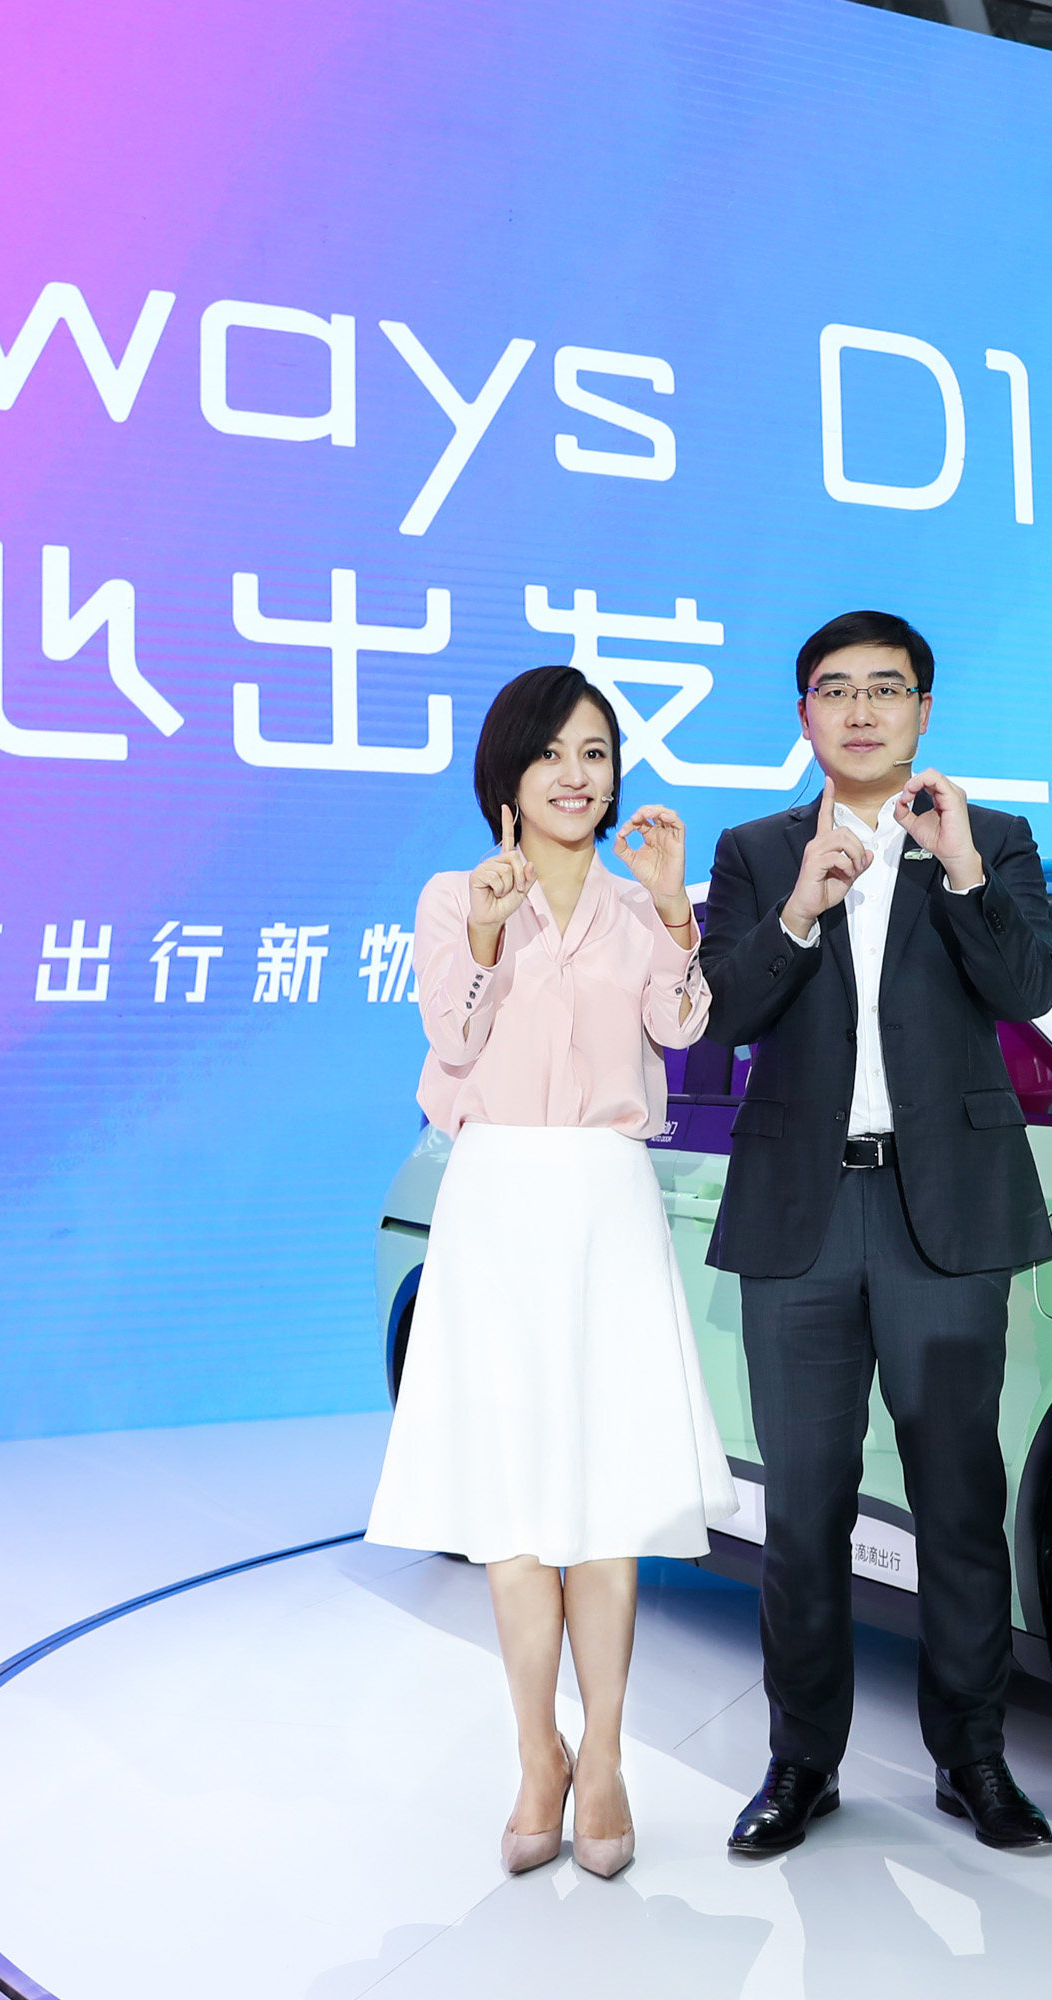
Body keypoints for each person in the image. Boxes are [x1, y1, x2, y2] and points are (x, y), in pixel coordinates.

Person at [697, 610, 1052, 1856]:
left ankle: (974, 1756)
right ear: (804, 715)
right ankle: (801, 1759)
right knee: (803, 1506)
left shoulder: (990, 837)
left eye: (887, 689)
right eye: (836, 690)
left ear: (923, 711)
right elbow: (720, 1015)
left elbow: (1029, 992)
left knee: (959, 1495)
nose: (862, 710)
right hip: (800, 1213)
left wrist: (961, 873)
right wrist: (800, 910)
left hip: (942, 1210)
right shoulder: (756, 851)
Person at [365, 665, 736, 1880]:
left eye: (595, 752)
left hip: (605, 1200)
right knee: (516, 1503)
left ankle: (609, 1755)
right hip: (498, 1201)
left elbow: (684, 1027)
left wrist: (676, 910)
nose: (577, 775)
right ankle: (539, 1753)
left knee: (608, 1499)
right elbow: (453, 1037)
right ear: (508, 774)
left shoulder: (635, 904)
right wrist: (485, 931)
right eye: (552, 753)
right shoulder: (453, 896)